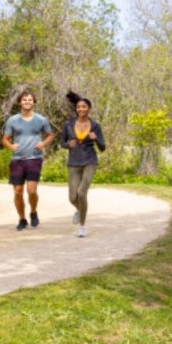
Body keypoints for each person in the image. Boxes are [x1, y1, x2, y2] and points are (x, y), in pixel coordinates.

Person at [2, 91, 55, 231]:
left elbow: (50, 135)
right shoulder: (12, 120)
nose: (27, 101)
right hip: (17, 160)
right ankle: (22, 219)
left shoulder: (41, 119)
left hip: (35, 158)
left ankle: (33, 212)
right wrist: (11, 146)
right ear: (20, 102)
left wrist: (43, 144)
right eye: (24, 99)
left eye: (29, 99)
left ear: (33, 102)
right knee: (18, 191)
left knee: (31, 191)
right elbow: (5, 139)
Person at [61, 90, 106, 238]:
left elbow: (102, 147)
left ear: (89, 109)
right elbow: (62, 143)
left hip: (89, 161)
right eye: (79, 107)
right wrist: (69, 144)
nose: (81, 109)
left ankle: (82, 226)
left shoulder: (95, 126)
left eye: (84, 107)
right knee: (72, 197)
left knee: (81, 192)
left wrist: (95, 138)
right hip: (74, 162)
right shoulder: (68, 124)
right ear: (76, 108)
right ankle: (81, 210)